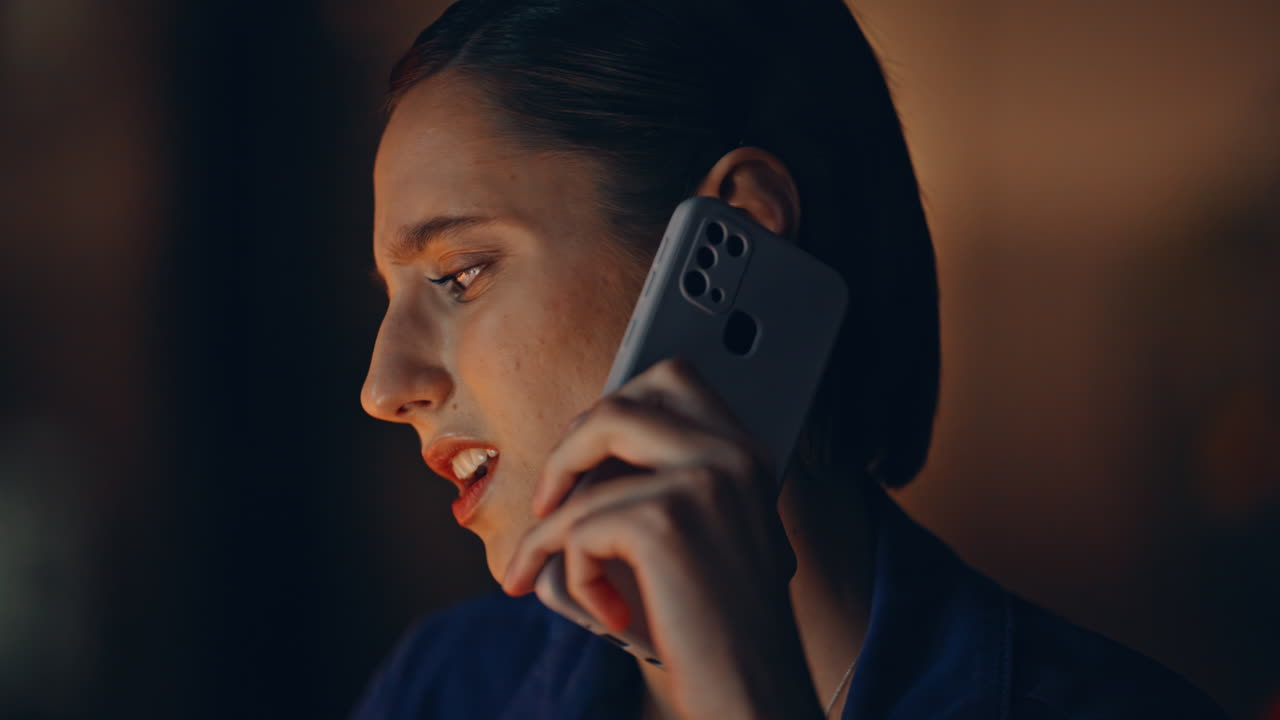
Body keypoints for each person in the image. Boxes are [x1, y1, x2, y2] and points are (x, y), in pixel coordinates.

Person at [354, 0, 1228, 717]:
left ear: (740, 229)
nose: (382, 388)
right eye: (391, 295)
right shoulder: (446, 686)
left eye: (461, 274)